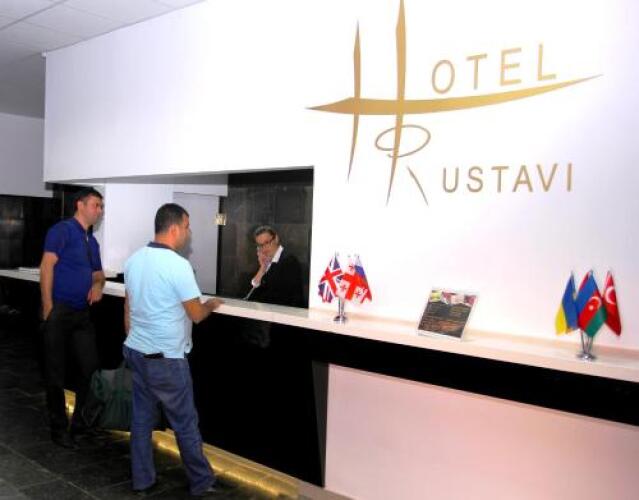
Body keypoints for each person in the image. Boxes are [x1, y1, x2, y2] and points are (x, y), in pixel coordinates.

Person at [123, 203, 222, 497]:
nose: (189, 233)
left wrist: (137, 338)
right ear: (175, 228)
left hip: (136, 351)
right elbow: (196, 314)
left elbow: (128, 308)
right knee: (185, 424)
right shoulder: (178, 265)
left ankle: (142, 481)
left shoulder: (134, 259)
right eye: (187, 227)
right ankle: (202, 482)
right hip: (166, 359)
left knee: (141, 421)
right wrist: (211, 304)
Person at [39, 187, 105, 448]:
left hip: (81, 314)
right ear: (80, 205)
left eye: (101, 207)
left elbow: (98, 273)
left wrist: (98, 285)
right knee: (55, 372)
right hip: (59, 310)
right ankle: (59, 429)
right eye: (96, 205)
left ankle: (80, 425)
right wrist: (48, 307)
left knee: (90, 369)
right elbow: (47, 266)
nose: (99, 211)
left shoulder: (92, 241)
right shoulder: (62, 231)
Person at [246, 225, 303, 307]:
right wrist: (262, 268)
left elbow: (275, 295)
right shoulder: (265, 261)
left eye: (267, 243)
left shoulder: (289, 261)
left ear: (276, 239)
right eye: (261, 245)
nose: (264, 248)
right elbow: (248, 295)